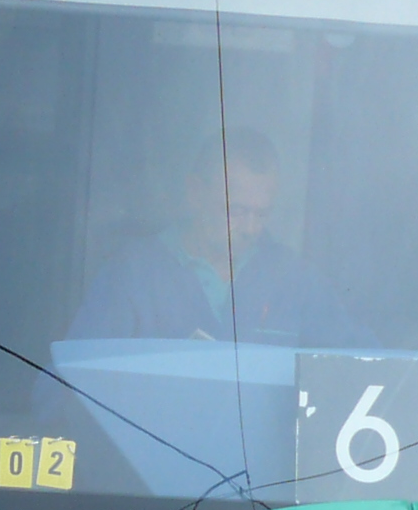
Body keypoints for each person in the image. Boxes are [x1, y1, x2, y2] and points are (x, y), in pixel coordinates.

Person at [66, 129, 362, 348]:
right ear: (195, 192)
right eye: (236, 211)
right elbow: (66, 385)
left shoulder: (297, 281)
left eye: (261, 214)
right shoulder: (134, 273)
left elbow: (364, 369)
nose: (250, 228)